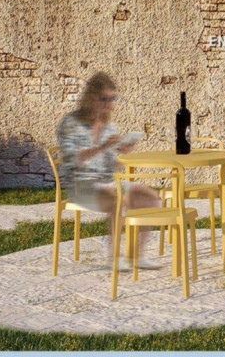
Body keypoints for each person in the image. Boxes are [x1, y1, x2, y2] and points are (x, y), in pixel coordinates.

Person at [56, 72, 161, 269]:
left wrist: (123, 151)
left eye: (112, 99)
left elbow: (113, 165)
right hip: (81, 185)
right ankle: (114, 257)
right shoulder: (70, 123)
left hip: (108, 182)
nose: (108, 104)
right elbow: (73, 158)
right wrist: (102, 147)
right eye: (104, 99)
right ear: (90, 97)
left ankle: (136, 256)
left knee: (150, 198)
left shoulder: (108, 125)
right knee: (119, 198)